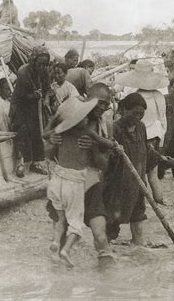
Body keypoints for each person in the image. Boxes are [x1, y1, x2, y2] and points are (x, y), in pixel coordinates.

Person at [47, 83, 117, 265]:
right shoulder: (70, 118)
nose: (102, 108)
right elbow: (49, 153)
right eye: (99, 103)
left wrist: (94, 148)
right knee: (61, 236)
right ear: (88, 100)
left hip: (91, 185)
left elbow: (105, 164)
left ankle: (106, 286)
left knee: (101, 238)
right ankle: (60, 285)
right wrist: (52, 140)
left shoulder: (104, 125)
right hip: (67, 184)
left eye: (106, 105)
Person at [47, 96, 100, 267]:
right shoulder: (87, 133)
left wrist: (54, 122)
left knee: (61, 220)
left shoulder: (59, 134)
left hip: (56, 181)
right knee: (76, 224)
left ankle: (56, 242)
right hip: (73, 183)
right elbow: (107, 144)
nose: (86, 119)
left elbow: (45, 138)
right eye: (84, 117)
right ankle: (66, 250)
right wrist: (99, 142)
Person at [115, 60, 169, 204]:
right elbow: (163, 118)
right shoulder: (158, 95)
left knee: (139, 171)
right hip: (156, 134)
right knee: (153, 173)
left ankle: (142, 201)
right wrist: (162, 138)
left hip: (139, 135)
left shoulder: (133, 96)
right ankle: (159, 200)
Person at [104, 93, 148, 244]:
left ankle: (137, 254)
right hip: (118, 185)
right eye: (135, 113)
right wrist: (114, 153)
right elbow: (105, 159)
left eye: (141, 114)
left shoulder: (141, 128)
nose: (138, 117)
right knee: (111, 225)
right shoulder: (114, 129)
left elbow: (144, 151)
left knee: (138, 220)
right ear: (123, 110)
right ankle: (107, 256)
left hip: (137, 183)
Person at [10, 45, 51, 176]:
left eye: (45, 64)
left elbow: (48, 89)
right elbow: (20, 96)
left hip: (35, 106)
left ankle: (36, 162)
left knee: (37, 132)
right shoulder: (23, 72)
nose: (42, 67)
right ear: (33, 61)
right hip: (21, 106)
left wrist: (45, 99)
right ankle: (22, 162)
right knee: (24, 131)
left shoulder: (44, 71)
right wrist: (33, 96)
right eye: (40, 64)